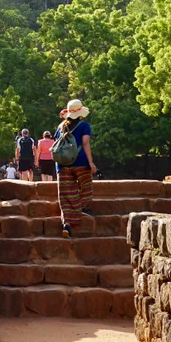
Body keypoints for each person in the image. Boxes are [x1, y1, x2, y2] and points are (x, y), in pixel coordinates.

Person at [54, 99, 96, 238]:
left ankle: (67, 224)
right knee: (86, 186)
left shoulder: (60, 126)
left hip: (62, 164)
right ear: (80, 113)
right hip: (81, 163)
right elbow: (85, 143)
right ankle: (81, 209)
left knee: (65, 195)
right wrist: (91, 162)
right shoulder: (84, 125)